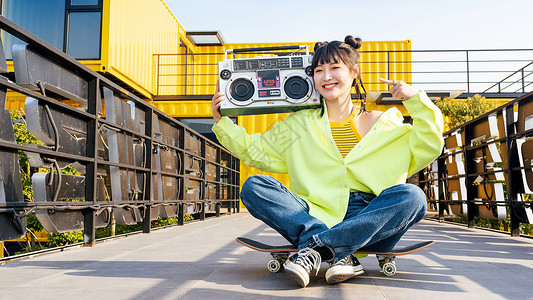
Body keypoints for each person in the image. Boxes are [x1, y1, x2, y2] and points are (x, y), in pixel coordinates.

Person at [210, 36, 444, 288]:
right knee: (254, 186)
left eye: (335, 68)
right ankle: (339, 252)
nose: (326, 76)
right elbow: (257, 151)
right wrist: (220, 121)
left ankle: (313, 250)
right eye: (319, 70)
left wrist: (415, 100)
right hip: (314, 214)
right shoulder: (301, 124)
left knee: (413, 196)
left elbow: (429, 144)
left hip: (370, 220)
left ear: (354, 72)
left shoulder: (383, 121)